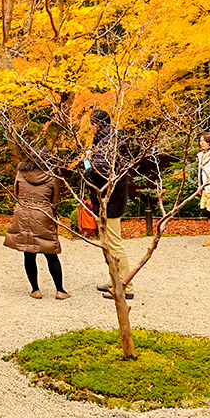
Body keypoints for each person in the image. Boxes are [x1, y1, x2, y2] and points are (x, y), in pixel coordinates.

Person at [4, 159, 68, 299]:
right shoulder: (52, 175)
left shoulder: (22, 173)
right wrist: (50, 210)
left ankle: (35, 290)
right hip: (43, 213)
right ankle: (60, 290)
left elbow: (16, 192)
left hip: (24, 212)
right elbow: (55, 199)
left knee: (28, 252)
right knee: (51, 252)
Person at [85, 109, 132, 298]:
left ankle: (125, 287)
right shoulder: (110, 139)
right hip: (111, 197)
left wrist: (88, 164)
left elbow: (101, 171)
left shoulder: (108, 142)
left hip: (110, 199)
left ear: (96, 124)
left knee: (114, 244)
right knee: (109, 244)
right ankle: (115, 280)